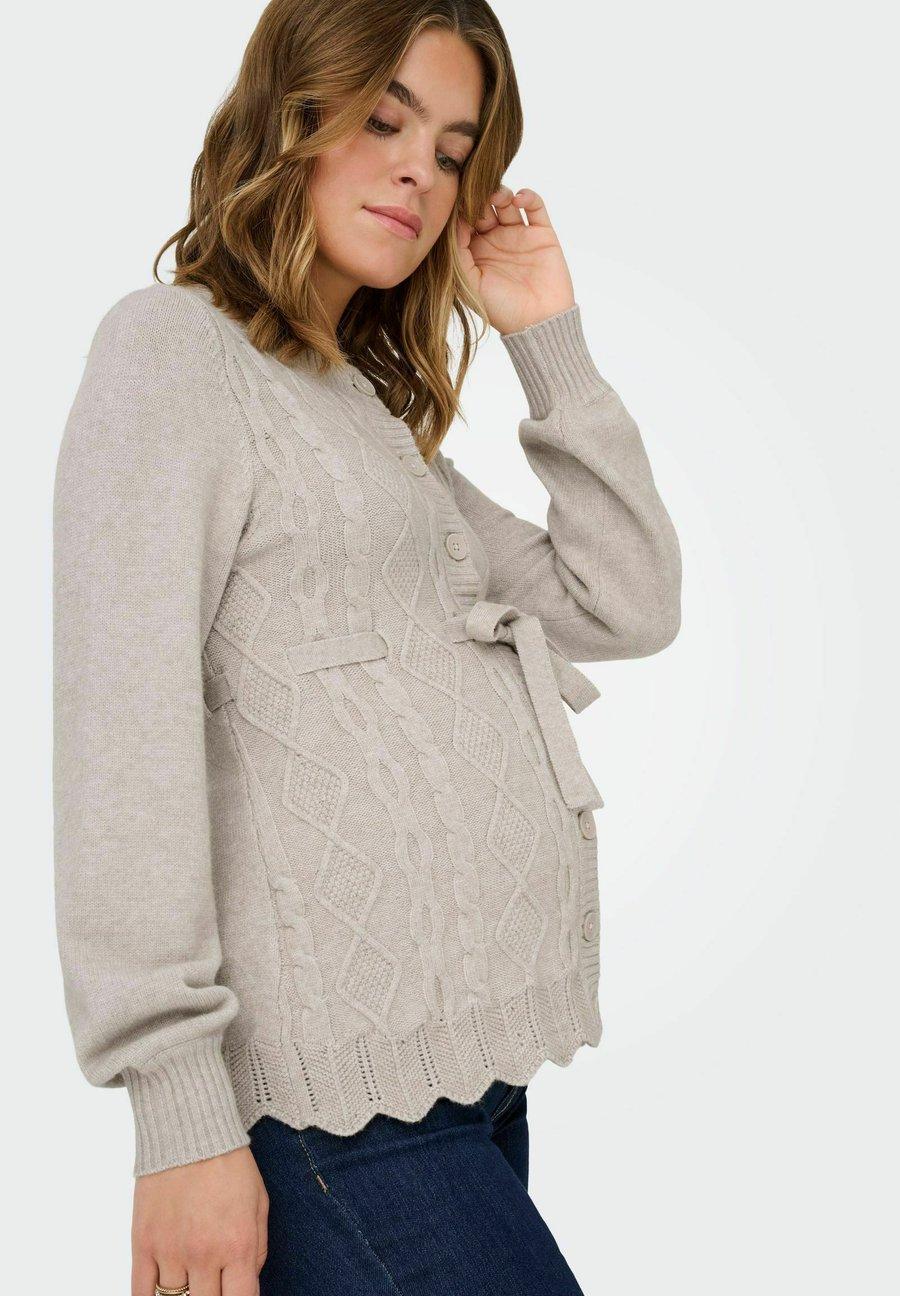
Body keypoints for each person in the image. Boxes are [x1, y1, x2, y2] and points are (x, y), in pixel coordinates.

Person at [51, 1, 682, 1292]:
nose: (419, 173)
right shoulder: (170, 352)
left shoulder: (362, 416)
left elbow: (625, 601)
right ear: (290, 118)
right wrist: (181, 1119)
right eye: (383, 121)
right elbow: (123, 741)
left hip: (462, 1077)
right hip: (327, 1111)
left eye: (451, 151)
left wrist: (545, 337)